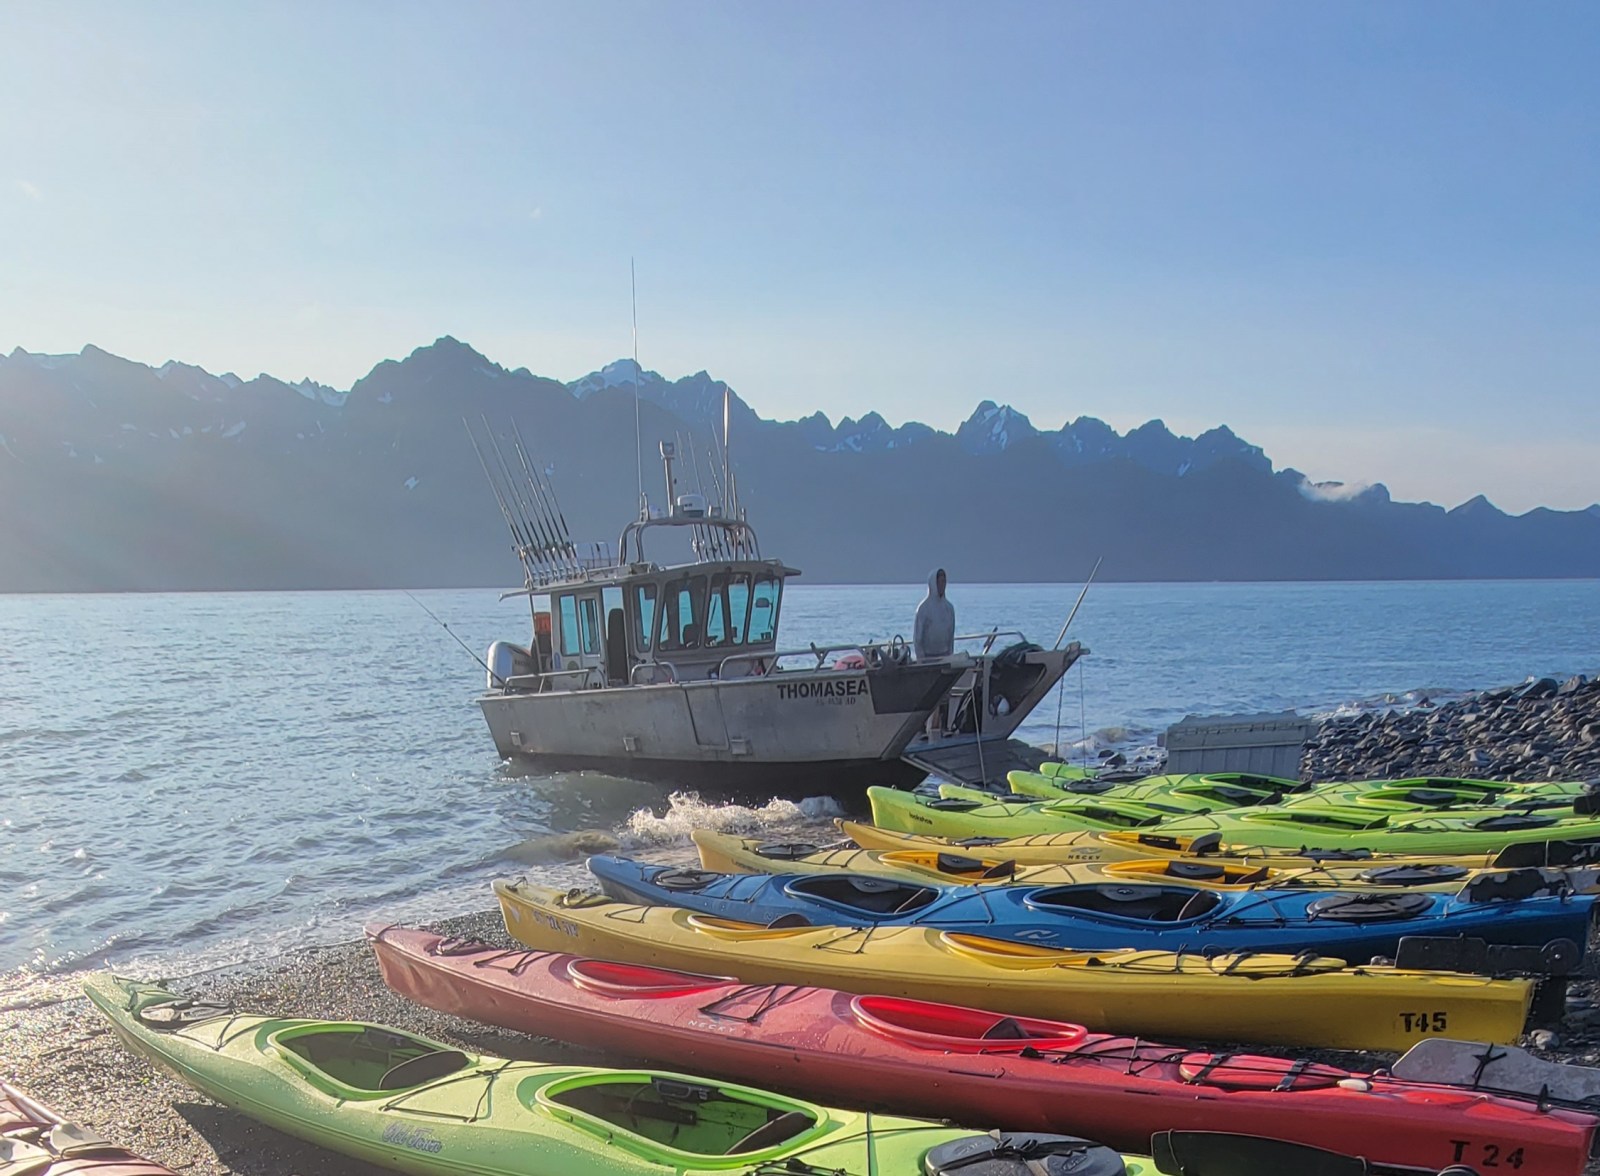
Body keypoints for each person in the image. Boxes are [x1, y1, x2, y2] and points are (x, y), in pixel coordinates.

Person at [913, 568, 956, 660]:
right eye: (940, 582)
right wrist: (921, 659)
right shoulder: (923, 608)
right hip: (927, 657)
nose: (942, 585)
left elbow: (951, 637)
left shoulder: (949, 608)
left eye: (944, 582)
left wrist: (950, 656)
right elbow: (918, 638)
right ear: (933, 583)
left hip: (945, 656)